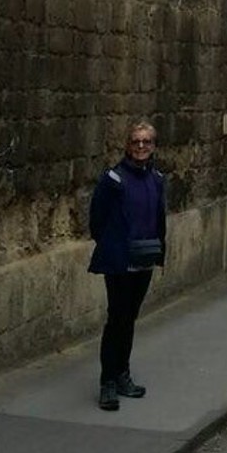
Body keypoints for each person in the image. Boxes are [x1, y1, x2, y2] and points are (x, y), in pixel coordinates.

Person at [88, 120, 166, 411]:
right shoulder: (113, 179)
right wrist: (113, 246)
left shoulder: (157, 179)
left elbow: (158, 218)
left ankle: (123, 375)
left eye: (146, 141)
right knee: (117, 319)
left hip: (144, 259)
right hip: (120, 261)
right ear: (128, 145)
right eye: (136, 141)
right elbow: (97, 219)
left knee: (130, 319)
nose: (141, 146)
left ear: (153, 146)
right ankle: (108, 382)